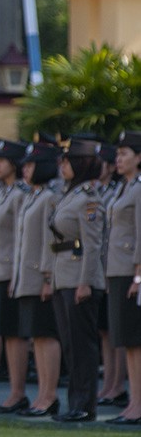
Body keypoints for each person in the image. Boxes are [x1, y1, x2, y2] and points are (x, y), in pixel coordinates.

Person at [49, 137, 106, 422]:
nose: (62, 166)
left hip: (79, 278)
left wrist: (85, 282)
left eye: (67, 160)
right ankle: (75, 403)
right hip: (63, 276)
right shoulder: (69, 194)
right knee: (70, 345)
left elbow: (93, 245)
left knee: (82, 346)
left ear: (81, 164)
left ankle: (84, 405)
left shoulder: (88, 198)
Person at [12, 142, 63, 417]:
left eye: (31, 165)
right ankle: (42, 394)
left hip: (40, 276)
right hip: (26, 276)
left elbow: (48, 240)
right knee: (36, 337)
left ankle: (49, 395)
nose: (26, 169)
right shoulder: (33, 196)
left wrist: (47, 276)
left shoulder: (49, 198)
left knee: (46, 334)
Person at [0, 140, 30, 414]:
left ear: (14, 164)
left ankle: (18, 392)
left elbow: (19, 239)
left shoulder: (19, 193)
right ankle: (12, 392)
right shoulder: (2, 192)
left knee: (15, 335)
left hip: (12, 271)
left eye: (2, 160)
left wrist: (16, 273)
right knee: (4, 333)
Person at [104, 130, 141, 425]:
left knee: (135, 340)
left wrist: (139, 276)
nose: (118, 158)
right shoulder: (122, 188)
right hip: (116, 270)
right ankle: (133, 402)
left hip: (131, 272)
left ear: (139, 158)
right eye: (117, 154)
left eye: (125, 153)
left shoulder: (139, 188)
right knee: (127, 341)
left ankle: (138, 405)